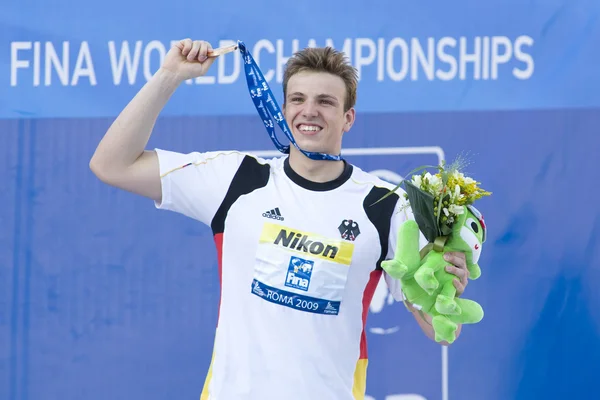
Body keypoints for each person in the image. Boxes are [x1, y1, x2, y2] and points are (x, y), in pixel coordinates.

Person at [90, 38, 472, 400]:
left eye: (325, 102)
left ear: (348, 118)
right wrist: (169, 76)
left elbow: (440, 331)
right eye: (298, 99)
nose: (310, 111)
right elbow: (111, 164)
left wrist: (447, 290)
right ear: (284, 109)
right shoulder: (237, 180)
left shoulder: (387, 206)